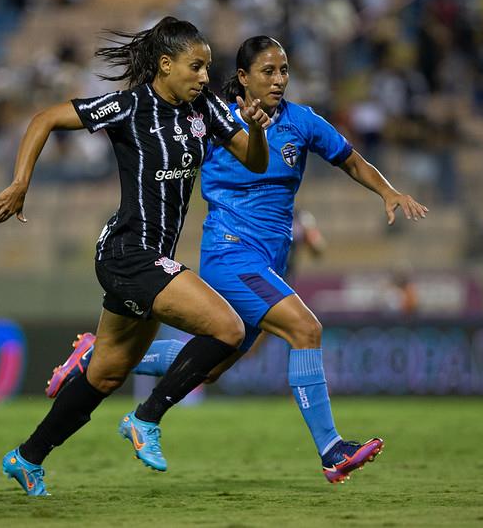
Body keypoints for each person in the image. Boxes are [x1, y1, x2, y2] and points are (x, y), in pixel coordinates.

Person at [46, 36, 428, 484]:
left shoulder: (303, 122)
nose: (279, 80)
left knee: (210, 368)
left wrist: (388, 190)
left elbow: (350, 160)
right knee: (306, 329)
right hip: (230, 256)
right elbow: (169, 153)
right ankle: (331, 449)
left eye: (284, 71)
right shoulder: (212, 120)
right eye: (268, 71)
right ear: (243, 78)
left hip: (268, 261)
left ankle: (98, 354)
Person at [0, 17, 270, 496]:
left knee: (107, 374)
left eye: (207, 67)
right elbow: (45, 119)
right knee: (229, 328)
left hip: (150, 258)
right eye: (195, 66)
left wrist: (257, 130)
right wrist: (21, 182)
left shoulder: (206, 108)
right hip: (127, 253)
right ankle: (146, 419)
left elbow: (254, 160)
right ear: (165, 64)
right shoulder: (131, 106)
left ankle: (27, 457)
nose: (204, 76)